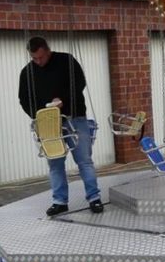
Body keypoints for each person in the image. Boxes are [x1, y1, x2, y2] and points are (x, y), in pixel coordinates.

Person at [18, 36, 103, 216]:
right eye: (34, 58)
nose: (38, 62)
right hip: (48, 123)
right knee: (55, 163)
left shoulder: (66, 60)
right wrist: (39, 115)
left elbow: (79, 82)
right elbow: (23, 99)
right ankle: (60, 201)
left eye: (41, 57)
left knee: (84, 160)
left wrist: (63, 99)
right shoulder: (27, 72)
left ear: (48, 50)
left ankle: (94, 198)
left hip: (74, 117)